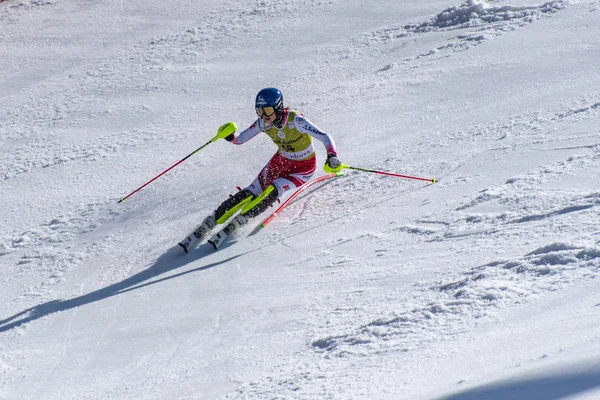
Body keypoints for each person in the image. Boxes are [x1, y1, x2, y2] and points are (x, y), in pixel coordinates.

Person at [179, 87, 342, 252]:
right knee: (251, 191)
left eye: (268, 111)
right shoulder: (263, 123)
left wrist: (332, 155)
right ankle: (213, 219)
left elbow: (325, 136)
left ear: (278, 107)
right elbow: (240, 139)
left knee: (274, 189)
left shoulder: (295, 120)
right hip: (280, 161)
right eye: (260, 111)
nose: (264, 116)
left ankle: (242, 219)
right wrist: (229, 136)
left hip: (302, 168)